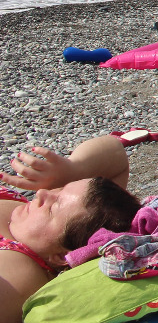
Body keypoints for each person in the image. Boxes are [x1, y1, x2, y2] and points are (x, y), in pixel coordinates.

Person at [1, 136, 142, 320]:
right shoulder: (32, 220)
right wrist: (74, 169)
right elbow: (116, 152)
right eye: (58, 190)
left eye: (52, 209)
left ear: (61, 256)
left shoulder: (20, 273)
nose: (42, 193)